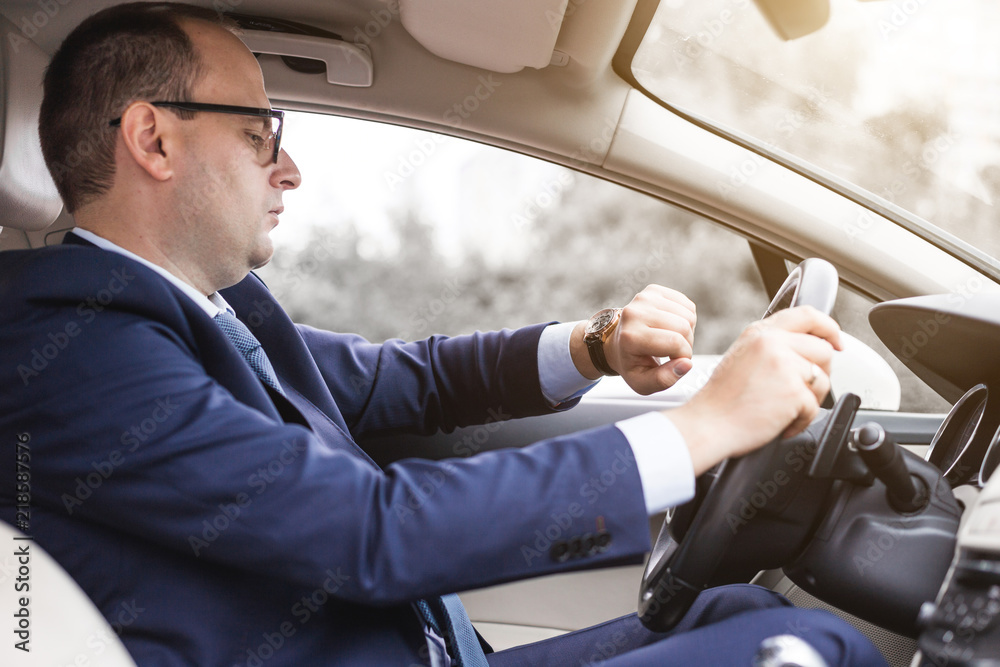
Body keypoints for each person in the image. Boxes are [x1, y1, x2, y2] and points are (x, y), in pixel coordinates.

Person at [0, 3, 886, 665]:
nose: (291, 167)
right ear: (152, 138)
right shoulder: (68, 346)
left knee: (731, 613)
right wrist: (701, 428)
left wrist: (594, 345)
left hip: (437, 651)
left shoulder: (210, 309)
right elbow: (367, 533)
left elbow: (401, 382)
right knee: (810, 647)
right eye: (261, 131)